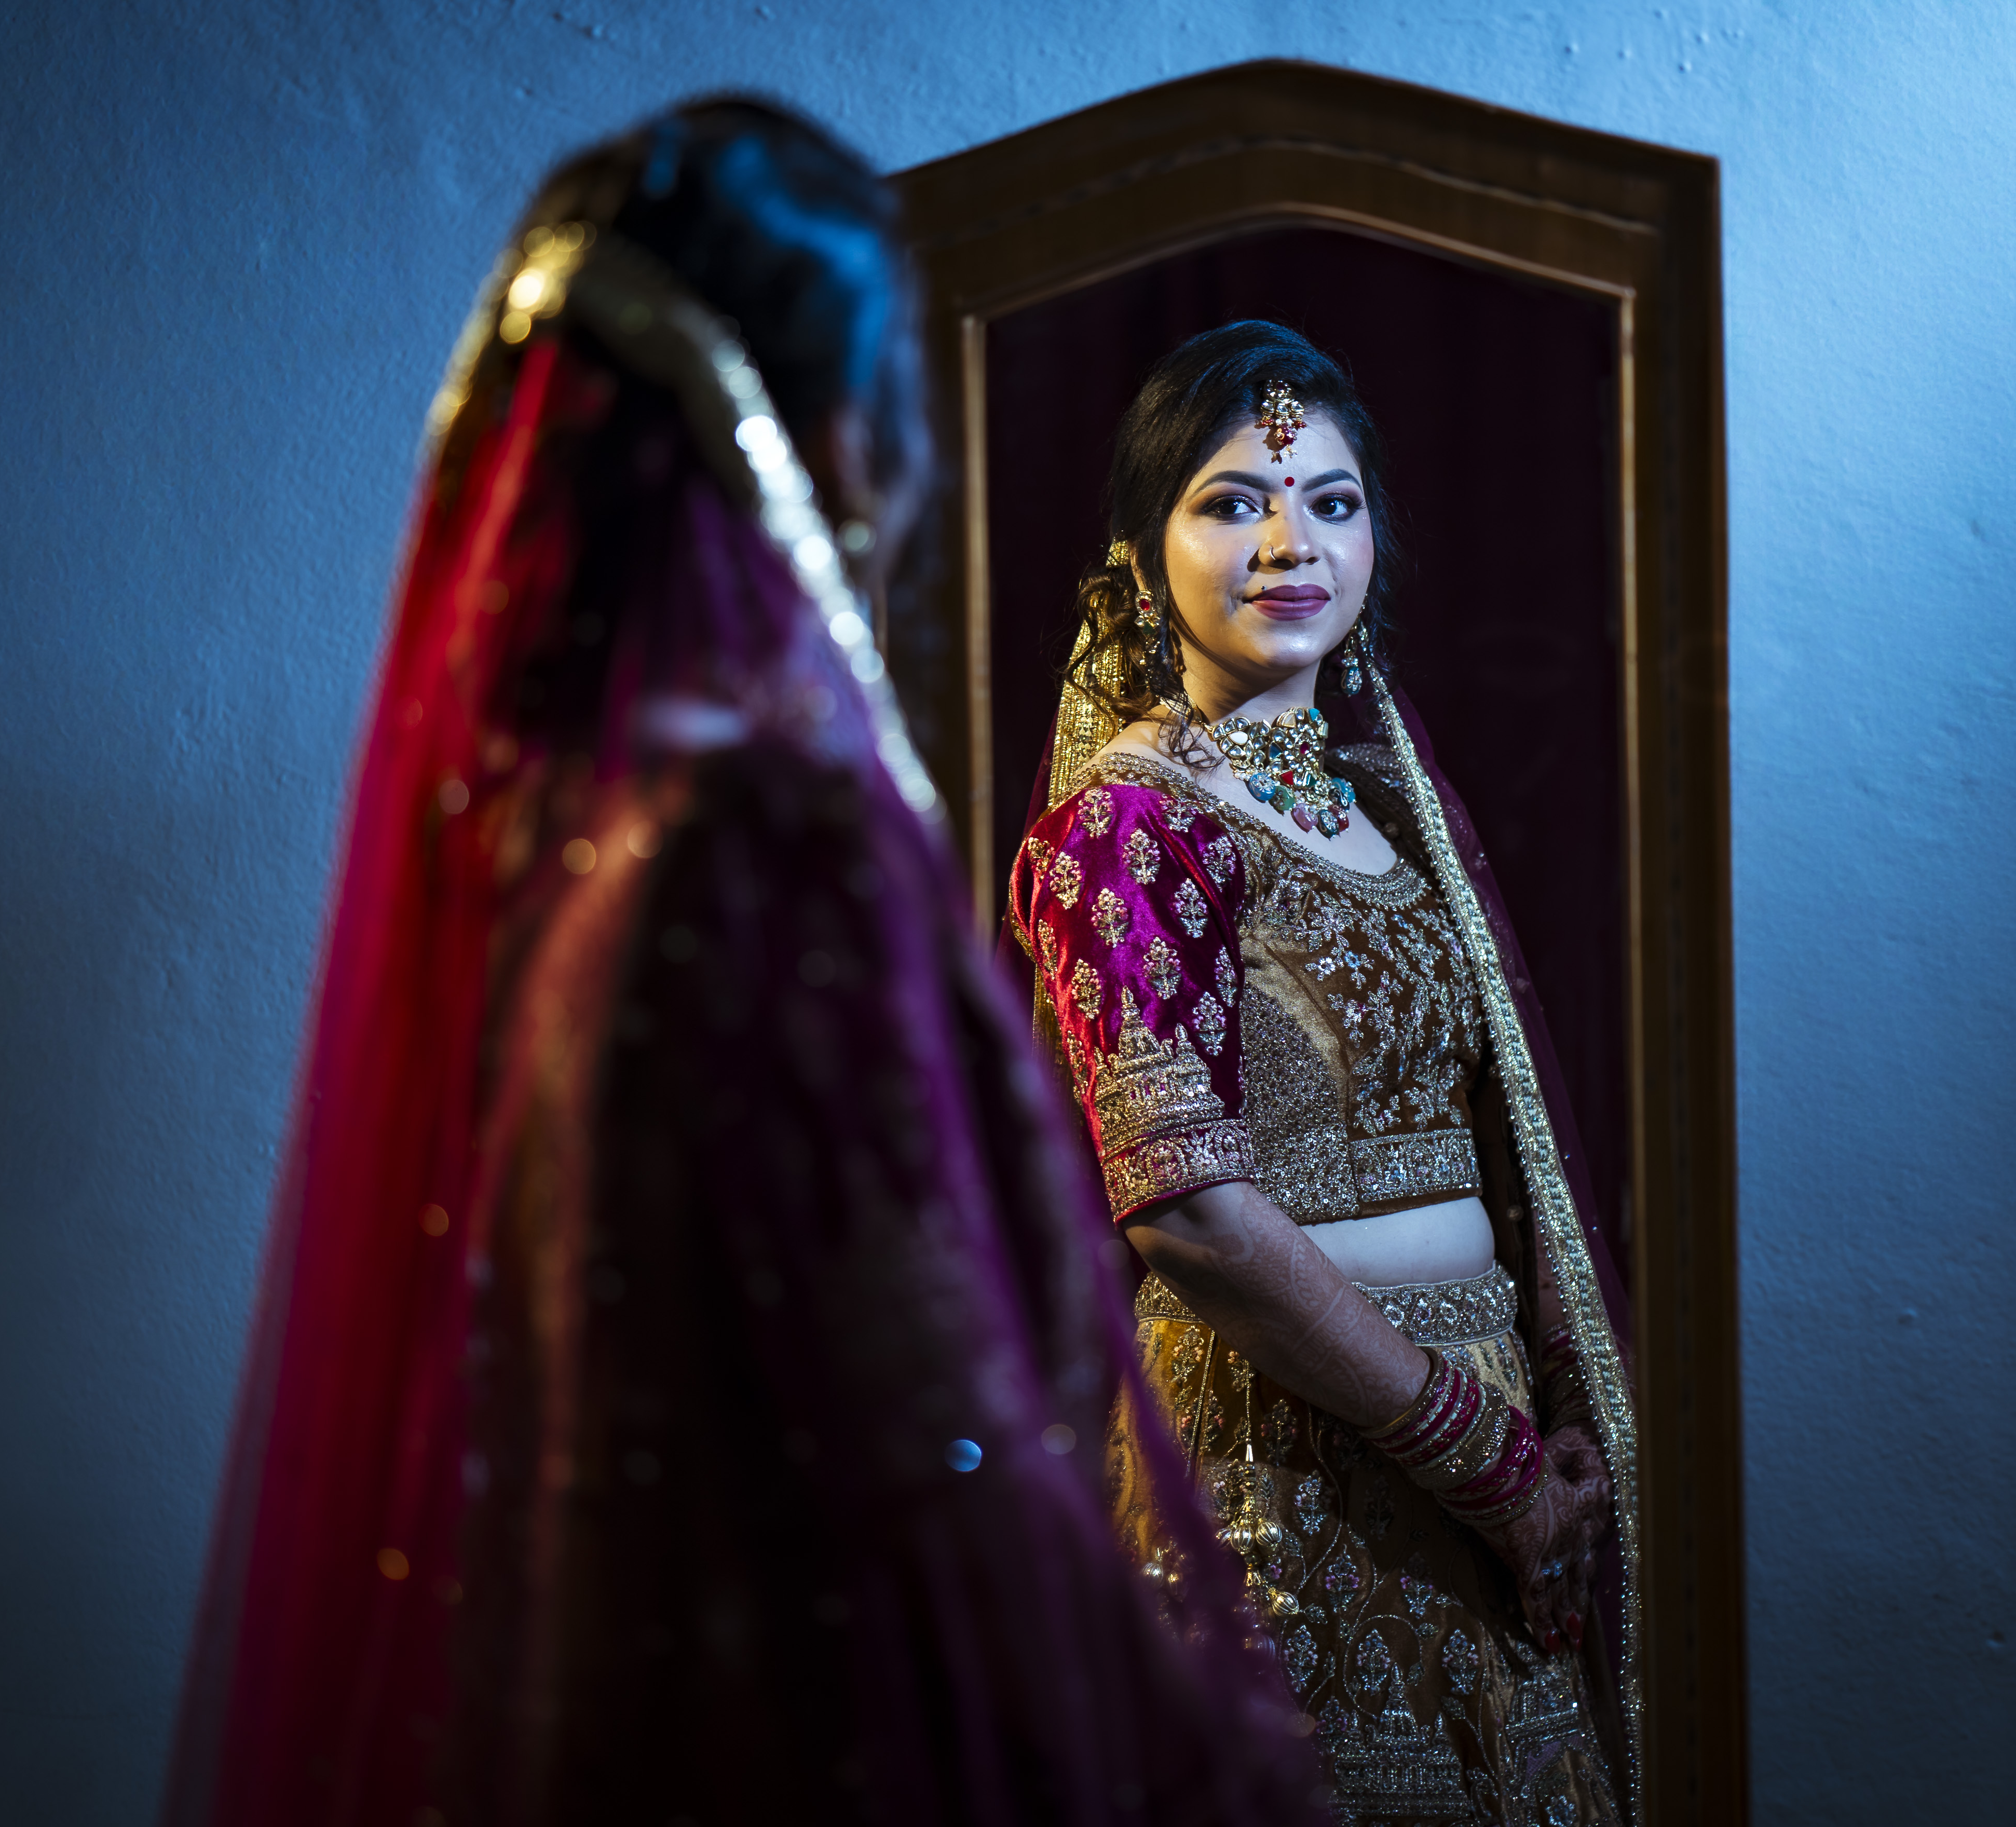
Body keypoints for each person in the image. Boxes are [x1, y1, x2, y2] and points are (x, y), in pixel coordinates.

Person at [162, 105, 1318, 1827]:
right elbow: (932, 1430)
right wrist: (1197, 1756)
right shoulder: (764, 844)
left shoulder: (555, 836)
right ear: (839, 441)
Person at [1011, 321, 1641, 1825]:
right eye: (1232, 501)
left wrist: (1534, 1424)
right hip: (1270, 1469)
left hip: (1484, 1458)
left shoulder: (1385, 808)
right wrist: (1472, 1448)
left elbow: (1504, 1152)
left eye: (1333, 502)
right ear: (1140, 556)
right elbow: (1187, 1216)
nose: (1293, 540)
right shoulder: (1133, 829)